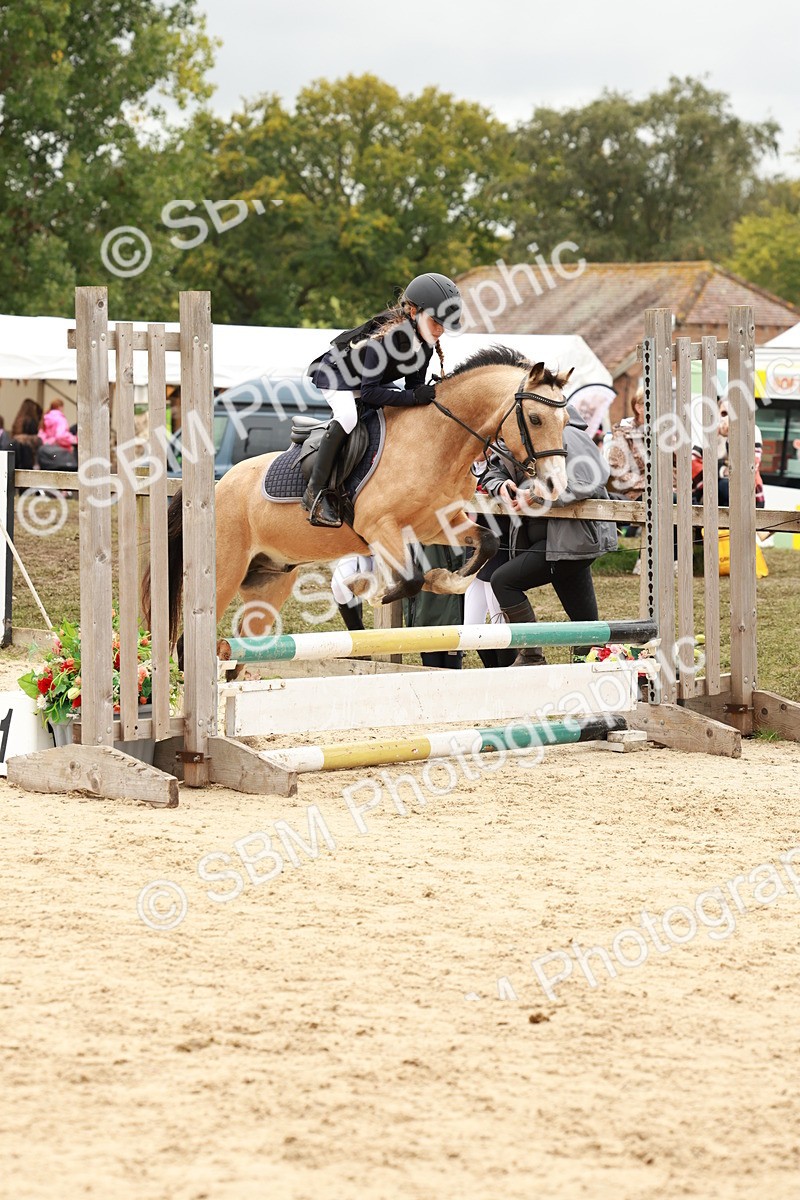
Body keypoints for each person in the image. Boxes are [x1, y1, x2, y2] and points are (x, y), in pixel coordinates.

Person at [304, 272, 462, 527]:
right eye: (436, 322)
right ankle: (315, 491)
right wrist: (412, 396)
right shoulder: (386, 340)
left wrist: (430, 394)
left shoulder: (425, 345)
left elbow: (414, 388)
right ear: (414, 312)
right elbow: (369, 393)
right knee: (347, 417)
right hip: (336, 375)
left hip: (365, 381)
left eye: (444, 325)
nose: (440, 330)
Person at [482, 405, 618, 665]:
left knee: (503, 582)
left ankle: (532, 656)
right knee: (585, 623)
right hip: (548, 544)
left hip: (570, 542)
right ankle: (592, 668)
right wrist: (501, 486)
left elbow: (593, 479)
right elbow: (493, 471)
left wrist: (536, 497)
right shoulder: (521, 435)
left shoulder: (572, 435)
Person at [605, 386, 646, 501]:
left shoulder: (664, 431)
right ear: (639, 408)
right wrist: (649, 483)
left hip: (667, 492)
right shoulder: (623, 434)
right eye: (654, 403)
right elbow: (618, 469)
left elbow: (676, 467)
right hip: (636, 494)